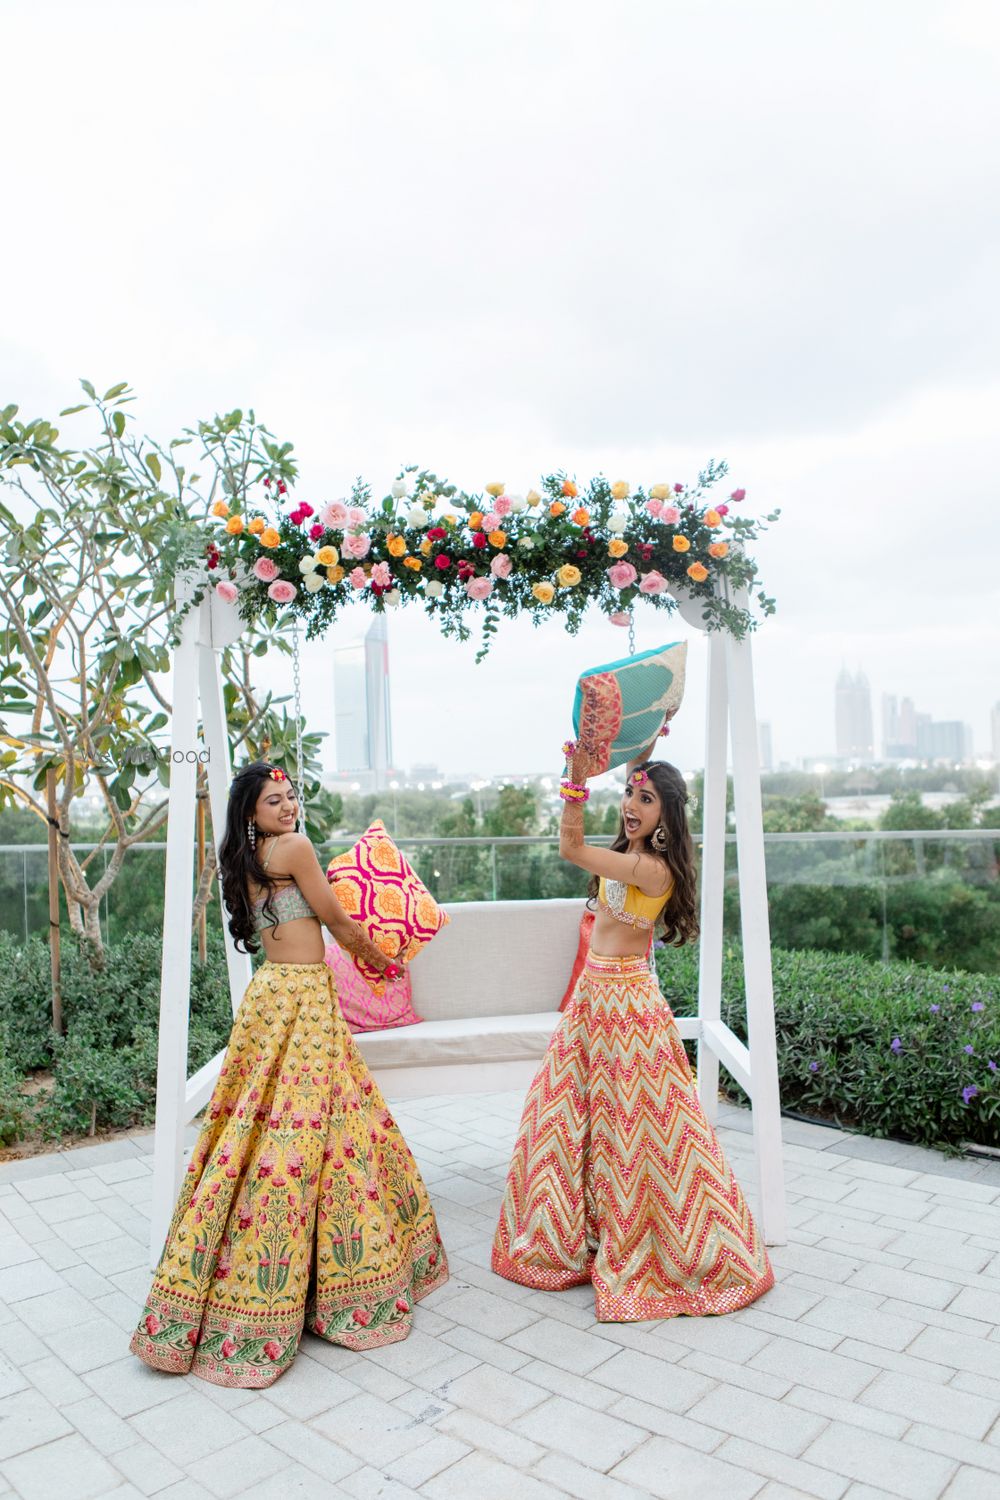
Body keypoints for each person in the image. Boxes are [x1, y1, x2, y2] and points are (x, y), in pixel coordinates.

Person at [131, 762, 447, 1387]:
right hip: (303, 999)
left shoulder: (249, 859)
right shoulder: (297, 848)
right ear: (250, 811)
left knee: (258, 1128)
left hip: (269, 996)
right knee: (311, 1134)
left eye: (291, 796)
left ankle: (269, 1271)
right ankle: (316, 1283)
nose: (288, 807)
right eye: (274, 800)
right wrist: (381, 958)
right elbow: (333, 917)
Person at [492, 742, 773, 1321]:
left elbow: (570, 847)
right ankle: (576, 1237)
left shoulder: (651, 868)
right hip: (593, 999)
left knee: (635, 1133)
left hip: (626, 1006)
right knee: (567, 1118)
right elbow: (627, 779)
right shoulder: (634, 853)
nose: (630, 805)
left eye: (645, 799)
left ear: (668, 816)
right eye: (628, 793)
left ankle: (673, 1246)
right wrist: (636, 738)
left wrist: (574, 781)